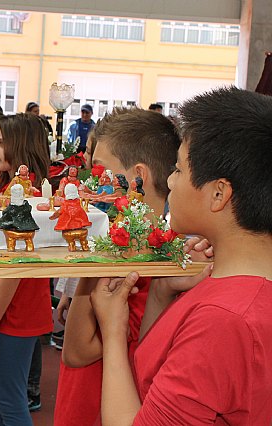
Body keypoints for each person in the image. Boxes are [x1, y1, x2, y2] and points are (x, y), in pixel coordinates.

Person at [91, 87, 272, 425]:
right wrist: (160, 294)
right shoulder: (226, 284)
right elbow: (155, 379)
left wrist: (113, 332)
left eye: (178, 170)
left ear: (218, 194)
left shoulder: (224, 319)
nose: (171, 183)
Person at [55, 107, 182, 426]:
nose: (91, 180)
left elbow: (76, 351)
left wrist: (90, 270)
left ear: (137, 176)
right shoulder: (149, 243)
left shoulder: (135, 251)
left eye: (99, 171)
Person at [0, 113, 53, 423]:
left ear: (18, 146)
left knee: (9, 398)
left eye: (0, 143)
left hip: (15, 308)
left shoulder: (25, 196)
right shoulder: (17, 190)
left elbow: (15, 267)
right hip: (11, 305)